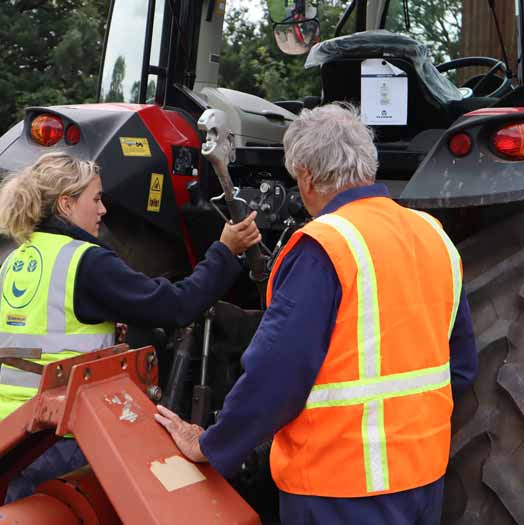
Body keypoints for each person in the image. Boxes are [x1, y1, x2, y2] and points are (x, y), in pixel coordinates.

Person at [156, 104, 478, 524]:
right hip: (422, 483)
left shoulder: (325, 245)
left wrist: (212, 444)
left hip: (339, 490)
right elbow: (461, 368)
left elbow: (277, 374)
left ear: (306, 177)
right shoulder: (432, 234)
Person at [0, 151, 260, 500]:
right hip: (69, 438)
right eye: (96, 199)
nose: (103, 210)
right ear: (67, 204)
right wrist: (225, 250)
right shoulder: (87, 262)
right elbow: (175, 307)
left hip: (14, 438)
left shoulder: (12, 262)